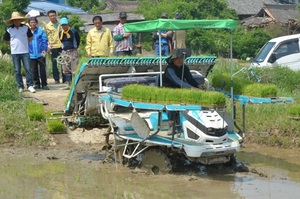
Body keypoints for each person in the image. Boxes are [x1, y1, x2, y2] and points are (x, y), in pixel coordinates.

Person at [3, 12, 36, 93]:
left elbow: (31, 37)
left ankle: (30, 85)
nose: (17, 22)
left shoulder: (25, 28)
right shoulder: (9, 29)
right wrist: (13, 44)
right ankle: (20, 86)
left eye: (18, 20)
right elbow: (6, 40)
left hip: (25, 51)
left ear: (20, 20)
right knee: (17, 70)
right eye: (15, 20)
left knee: (28, 69)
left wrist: (24, 43)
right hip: (15, 52)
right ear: (13, 21)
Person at [28, 17, 49, 90]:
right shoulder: (28, 32)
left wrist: (44, 49)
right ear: (29, 24)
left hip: (40, 53)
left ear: (36, 23)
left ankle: (44, 84)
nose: (33, 23)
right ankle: (36, 83)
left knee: (42, 69)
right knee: (34, 69)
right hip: (31, 54)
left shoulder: (40, 31)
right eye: (31, 22)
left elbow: (44, 40)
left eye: (34, 22)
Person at [59, 17, 80, 87]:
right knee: (65, 68)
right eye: (62, 25)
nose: (64, 26)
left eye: (65, 25)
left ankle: (75, 83)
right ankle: (68, 83)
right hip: (65, 52)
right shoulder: (61, 33)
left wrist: (75, 48)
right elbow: (61, 41)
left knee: (75, 68)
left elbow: (78, 40)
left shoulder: (73, 31)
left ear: (68, 24)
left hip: (73, 51)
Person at [45, 10, 64, 84]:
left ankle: (65, 79)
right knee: (54, 63)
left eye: (54, 15)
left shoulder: (61, 24)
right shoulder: (47, 26)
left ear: (56, 15)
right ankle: (56, 79)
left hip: (61, 46)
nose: (52, 17)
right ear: (49, 17)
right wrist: (48, 47)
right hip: (53, 46)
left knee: (63, 62)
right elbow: (46, 37)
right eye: (51, 16)